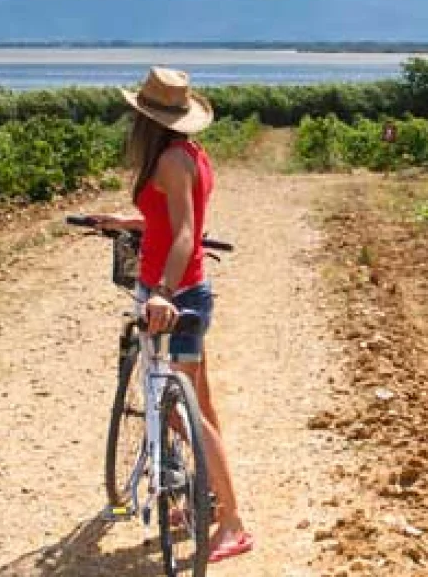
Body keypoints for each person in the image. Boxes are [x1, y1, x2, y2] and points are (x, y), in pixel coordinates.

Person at [87, 67, 254, 562]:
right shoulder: (188, 155)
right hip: (187, 290)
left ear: (147, 118)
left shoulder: (170, 163)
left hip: (173, 296)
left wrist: (161, 291)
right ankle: (206, 497)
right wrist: (127, 220)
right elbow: (174, 219)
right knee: (198, 402)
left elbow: (185, 234)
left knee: (183, 413)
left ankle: (232, 522)